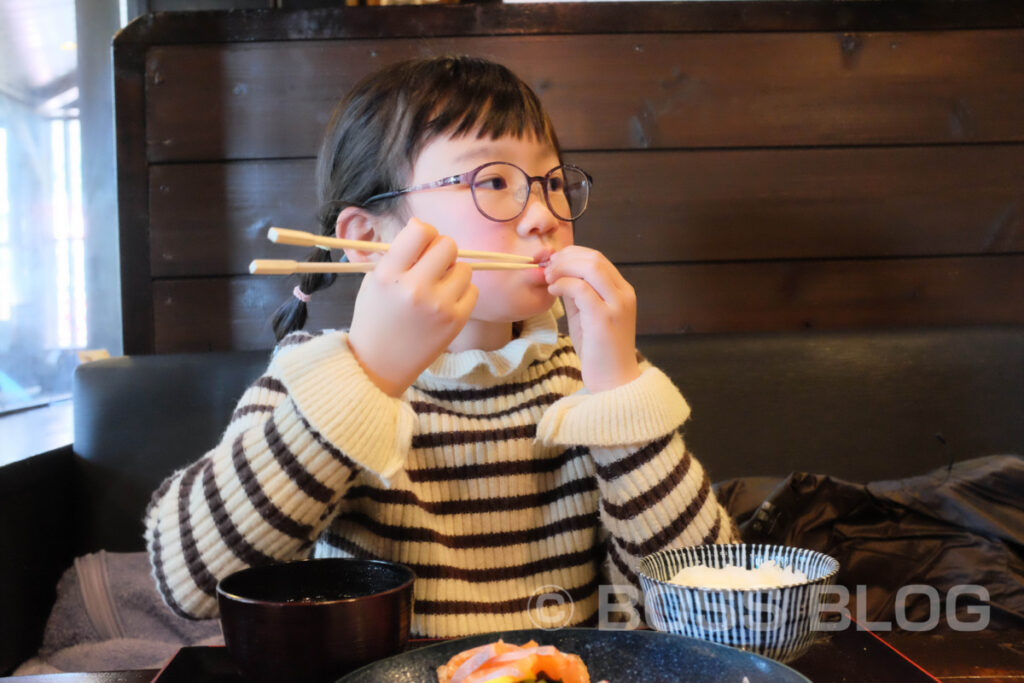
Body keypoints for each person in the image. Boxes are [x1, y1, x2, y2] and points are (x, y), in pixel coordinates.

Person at [144, 55, 739, 637]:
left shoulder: (583, 387)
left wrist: (619, 392)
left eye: (552, 183)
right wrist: (369, 378)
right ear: (370, 236)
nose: (542, 217)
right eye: (494, 181)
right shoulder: (316, 375)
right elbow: (189, 581)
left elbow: (717, 614)